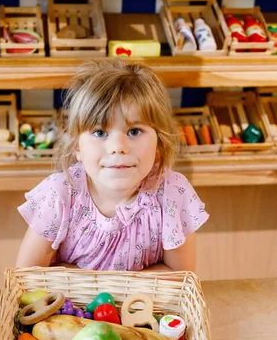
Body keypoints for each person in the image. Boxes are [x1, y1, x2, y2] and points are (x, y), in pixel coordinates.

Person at [16, 59, 209, 271]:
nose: (118, 147)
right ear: (76, 147)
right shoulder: (60, 195)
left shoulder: (172, 194)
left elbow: (179, 279)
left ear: (159, 145)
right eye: (100, 132)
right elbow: (28, 278)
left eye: (134, 131)